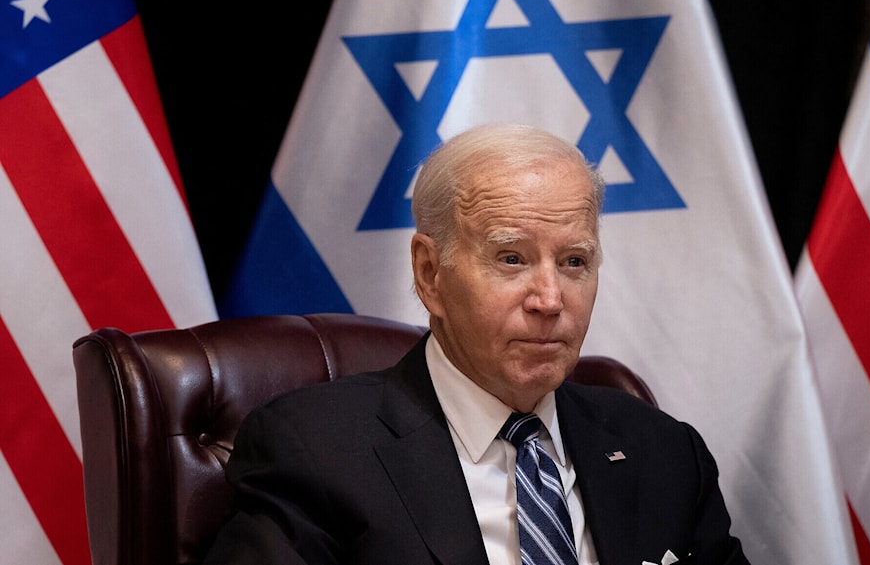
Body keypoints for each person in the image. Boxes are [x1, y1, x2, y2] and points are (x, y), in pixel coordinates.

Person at [204, 123, 750, 564]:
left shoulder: (664, 452)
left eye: (574, 262)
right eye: (511, 258)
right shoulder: (317, 451)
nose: (550, 300)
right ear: (430, 273)